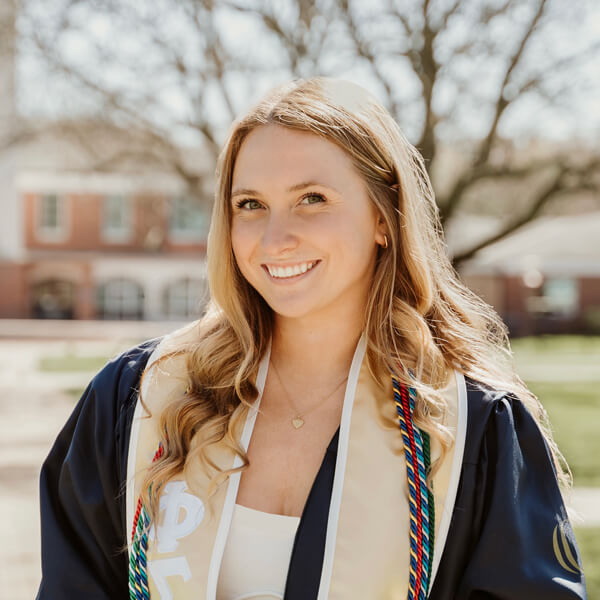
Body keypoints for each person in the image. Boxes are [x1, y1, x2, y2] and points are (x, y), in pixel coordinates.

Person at [36, 78, 587, 600]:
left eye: (313, 198)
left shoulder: (471, 430)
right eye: (249, 204)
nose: (276, 238)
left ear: (383, 217)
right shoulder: (139, 402)